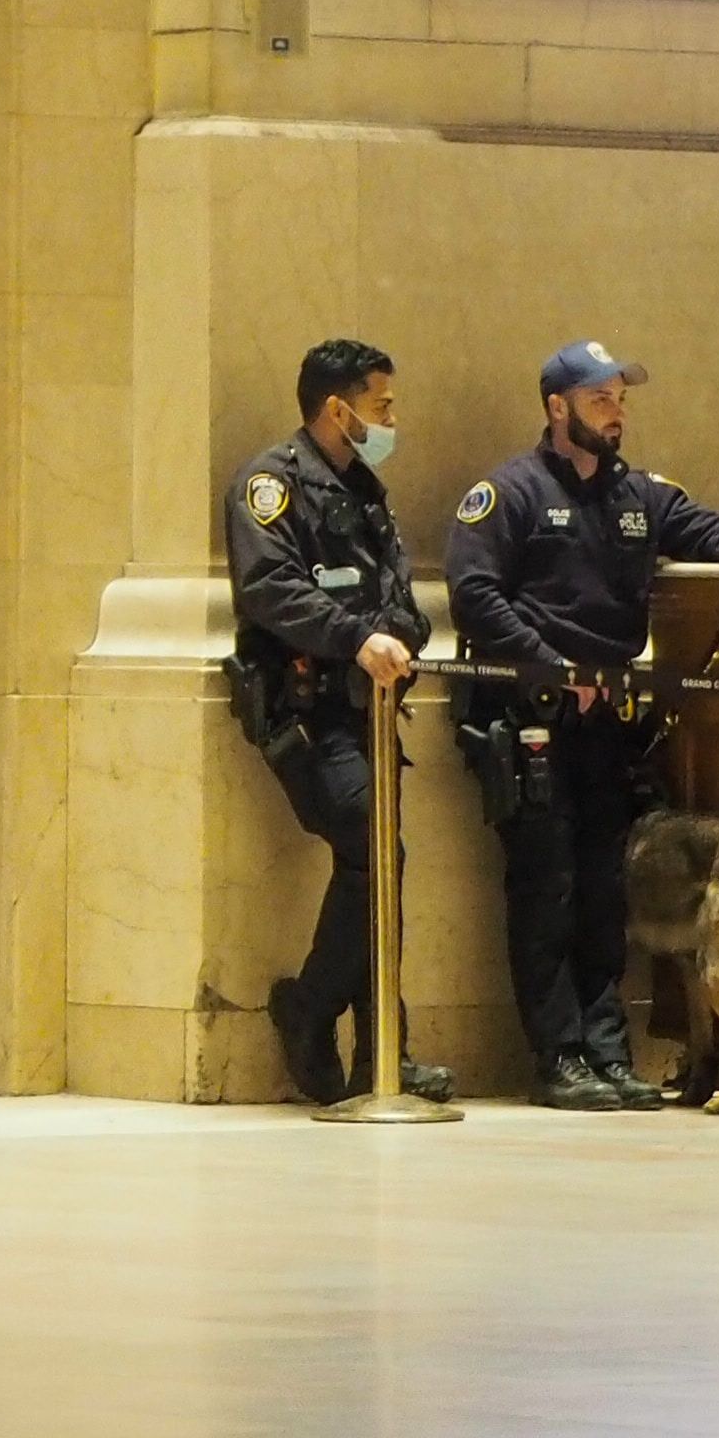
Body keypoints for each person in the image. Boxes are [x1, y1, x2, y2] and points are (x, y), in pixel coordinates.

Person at [446, 340, 719, 1109]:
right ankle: (557, 1056)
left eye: (620, 399)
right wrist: (551, 667)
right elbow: (473, 594)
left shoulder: (634, 494)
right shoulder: (508, 492)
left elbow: (695, 523)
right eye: (599, 398)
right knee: (546, 885)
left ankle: (605, 1051)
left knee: (604, 887)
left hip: (607, 726)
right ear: (556, 407)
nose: (615, 411)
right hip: (533, 717)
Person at [224, 338, 450, 1107]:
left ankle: (376, 1051)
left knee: (378, 855)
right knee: (372, 844)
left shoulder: (366, 490)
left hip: (367, 707)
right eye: (380, 406)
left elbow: (399, 596)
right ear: (336, 408)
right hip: (304, 710)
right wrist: (355, 636)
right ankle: (319, 1009)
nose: (390, 420)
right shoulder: (269, 485)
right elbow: (268, 588)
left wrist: (398, 633)